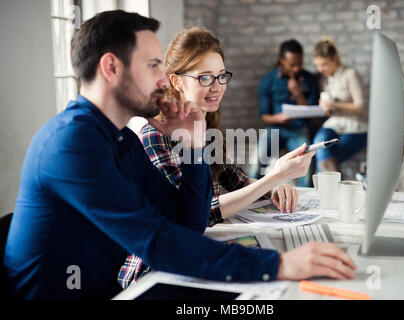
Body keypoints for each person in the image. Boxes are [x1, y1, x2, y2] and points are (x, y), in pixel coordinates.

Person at [4, 11, 356, 300]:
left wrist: (193, 146)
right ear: (111, 68)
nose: (163, 79)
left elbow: (188, 221)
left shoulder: (120, 139)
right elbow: (158, 240)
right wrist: (277, 264)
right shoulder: (72, 143)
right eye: (154, 66)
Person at [118, 27, 307, 288]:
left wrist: (275, 186)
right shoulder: (154, 136)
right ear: (176, 81)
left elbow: (238, 180)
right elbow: (200, 213)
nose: (217, 87)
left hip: (197, 252)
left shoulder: (207, 126)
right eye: (205, 78)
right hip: (154, 271)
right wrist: (273, 177)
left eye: (221, 76)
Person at [249, 39, 320, 187]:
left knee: (306, 166)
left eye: (300, 63)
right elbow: (264, 116)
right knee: (256, 163)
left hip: (299, 129)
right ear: (282, 60)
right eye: (292, 64)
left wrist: (298, 93)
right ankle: (251, 197)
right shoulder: (268, 80)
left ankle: (304, 204)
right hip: (275, 128)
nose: (297, 68)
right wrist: (278, 118)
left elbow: (314, 115)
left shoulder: (310, 79)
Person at [312, 39, 368, 173]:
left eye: (324, 64)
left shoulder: (350, 74)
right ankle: (335, 186)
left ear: (334, 58)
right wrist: (326, 109)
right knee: (319, 143)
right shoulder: (325, 79)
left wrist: (334, 104)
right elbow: (330, 112)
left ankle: (327, 188)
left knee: (327, 155)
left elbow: (360, 108)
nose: (320, 69)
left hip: (356, 125)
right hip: (335, 123)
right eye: (318, 65)